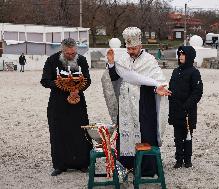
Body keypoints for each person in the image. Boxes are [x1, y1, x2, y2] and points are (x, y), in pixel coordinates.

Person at [105, 27, 171, 177]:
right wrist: (111, 64)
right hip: (126, 106)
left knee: (145, 134)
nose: (131, 51)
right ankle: (126, 166)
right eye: (128, 48)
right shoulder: (122, 60)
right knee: (125, 135)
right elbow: (115, 79)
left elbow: (157, 81)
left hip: (144, 106)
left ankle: (146, 169)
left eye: (133, 48)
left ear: (140, 46)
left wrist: (157, 89)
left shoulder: (149, 60)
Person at [40, 38, 92, 176]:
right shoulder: (52, 60)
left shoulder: (81, 60)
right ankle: (60, 164)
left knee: (80, 132)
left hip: (78, 102)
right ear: (62, 51)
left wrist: (78, 89)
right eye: (68, 54)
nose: (71, 56)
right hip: (58, 104)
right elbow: (45, 81)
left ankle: (82, 163)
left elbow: (87, 79)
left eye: (73, 53)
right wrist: (61, 85)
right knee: (59, 132)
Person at [168, 46, 203, 169]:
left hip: (188, 111)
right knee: (177, 137)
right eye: (179, 54)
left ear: (189, 56)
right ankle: (178, 159)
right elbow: (171, 88)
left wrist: (187, 105)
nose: (181, 56)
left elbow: (197, 92)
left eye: (183, 54)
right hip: (176, 110)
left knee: (187, 136)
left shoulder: (194, 72)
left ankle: (187, 160)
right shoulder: (175, 71)